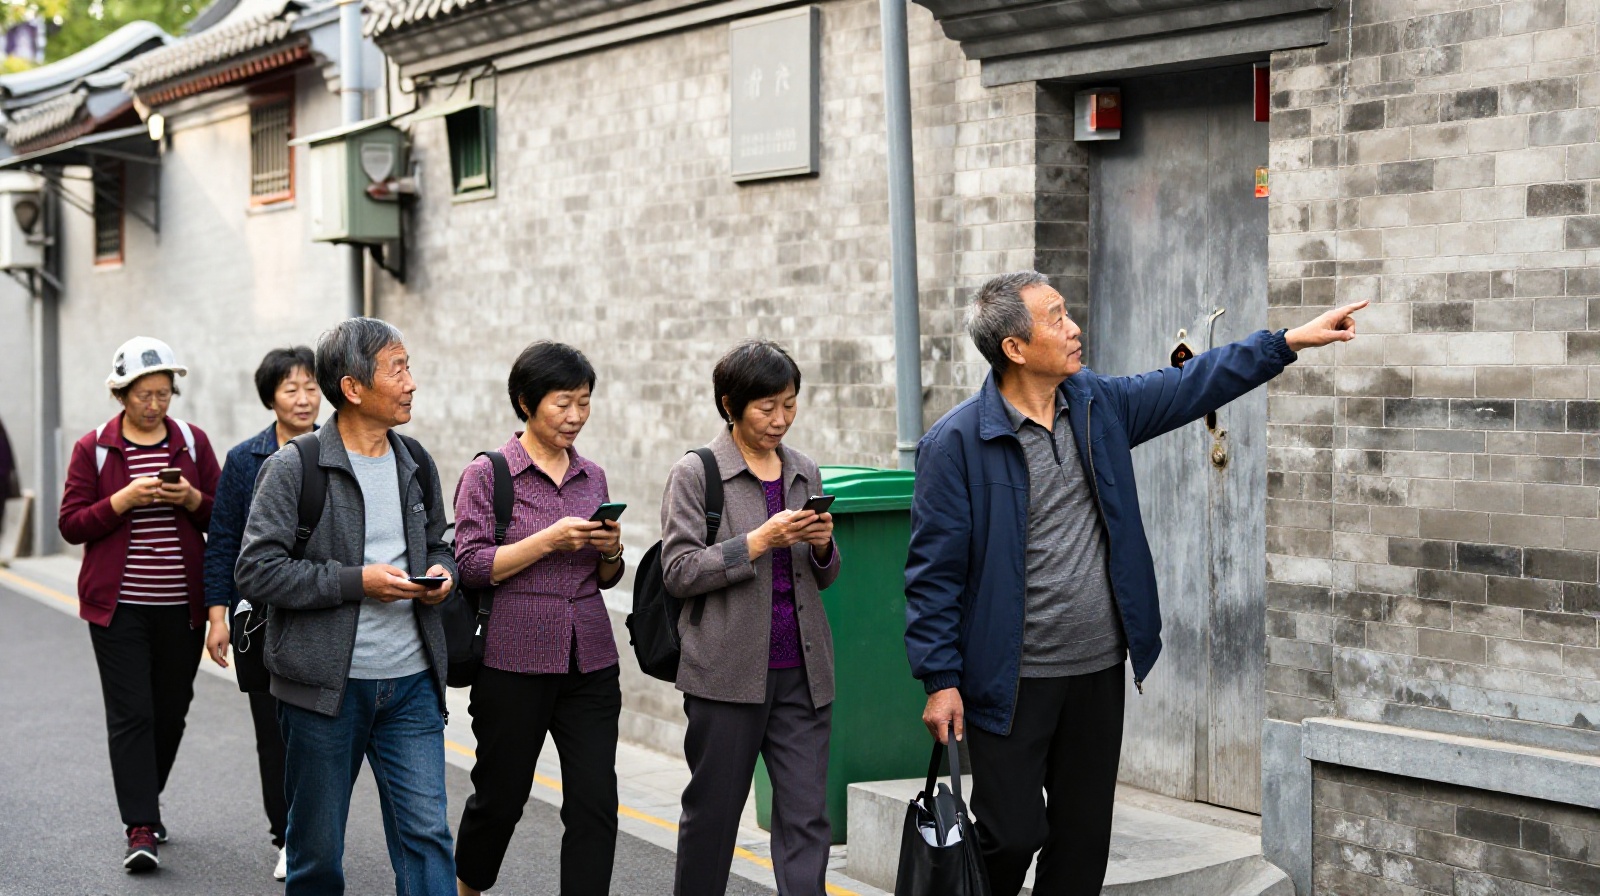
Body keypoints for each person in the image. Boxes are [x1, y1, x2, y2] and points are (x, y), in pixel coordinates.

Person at [904, 271, 1366, 896]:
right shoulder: (955, 443)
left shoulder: (1098, 405)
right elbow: (933, 576)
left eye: (1068, 313)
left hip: (1097, 669)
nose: (1073, 328)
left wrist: (1287, 342)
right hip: (1007, 680)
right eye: (1056, 318)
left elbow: (1188, 383)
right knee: (1010, 833)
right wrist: (940, 679)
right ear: (1014, 348)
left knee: (1084, 839)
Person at [235, 318, 457, 895]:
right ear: (355, 388)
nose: (411, 382)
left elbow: (439, 539)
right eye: (398, 368)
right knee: (316, 850)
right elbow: (256, 570)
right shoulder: (293, 466)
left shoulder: (415, 461)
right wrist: (356, 582)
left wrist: (443, 571)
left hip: (412, 684)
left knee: (428, 837)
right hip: (322, 691)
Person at [661, 340, 842, 896]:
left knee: (807, 820)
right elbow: (680, 571)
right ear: (730, 404)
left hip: (803, 674)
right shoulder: (697, 474)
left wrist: (822, 547)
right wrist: (756, 542)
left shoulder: (803, 469)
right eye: (767, 407)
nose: (780, 420)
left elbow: (825, 576)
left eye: (789, 404)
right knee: (713, 817)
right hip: (726, 674)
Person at [452, 341, 625, 896]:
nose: (575, 416)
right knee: (500, 799)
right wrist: (548, 541)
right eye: (562, 403)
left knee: (595, 802)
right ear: (525, 402)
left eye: (584, 401)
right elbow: (472, 565)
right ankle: (467, 886)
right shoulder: (489, 474)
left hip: (590, 659)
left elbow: (604, 577)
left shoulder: (592, 476)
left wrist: (611, 551)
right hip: (512, 660)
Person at [57, 336, 221, 873]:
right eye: (143, 395)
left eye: (163, 394)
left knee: (171, 712)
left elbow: (221, 521)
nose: (154, 405)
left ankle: (144, 799)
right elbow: (72, 523)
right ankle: (141, 826)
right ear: (121, 393)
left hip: (182, 607)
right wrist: (121, 501)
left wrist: (191, 499)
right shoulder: (94, 449)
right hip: (118, 608)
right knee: (133, 715)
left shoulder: (193, 444)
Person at [201, 346, 321, 882]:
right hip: (260, 622)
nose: (303, 398)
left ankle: (316, 831)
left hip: (324, 614)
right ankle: (289, 837)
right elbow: (223, 539)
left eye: (312, 387)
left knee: (323, 736)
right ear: (270, 396)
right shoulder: (244, 459)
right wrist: (218, 613)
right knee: (272, 736)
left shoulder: (338, 449)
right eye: (291, 388)